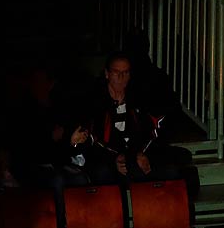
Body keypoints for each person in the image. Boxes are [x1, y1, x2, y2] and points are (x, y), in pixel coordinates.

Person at [57, 53, 184, 190]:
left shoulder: (139, 101)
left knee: (169, 170)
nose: (121, 77)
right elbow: (90, 141)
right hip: (106, 162)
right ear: (107, 74)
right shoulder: (94, 102)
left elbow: (153, 132)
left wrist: (139, 155)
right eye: (116, 72)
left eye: (125, 72)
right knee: (103, 173)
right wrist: (115, 158)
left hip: (136, 158)